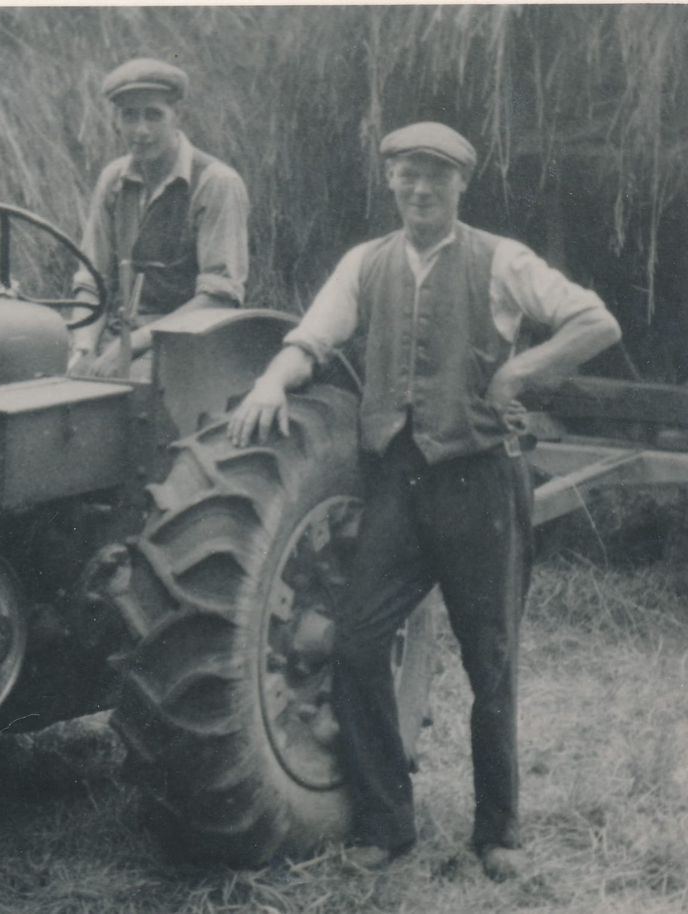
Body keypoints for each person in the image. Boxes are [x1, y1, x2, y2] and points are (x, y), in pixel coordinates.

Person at [227, 122, 621, 880]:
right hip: (399, 482)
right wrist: (273, 379)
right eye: (406, 176)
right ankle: (385, 822)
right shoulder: (364, 263)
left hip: (480, 482)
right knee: (356, 643)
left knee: (491, 660)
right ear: (392, 183)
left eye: (433, 178)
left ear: (458, 186)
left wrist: (517, 376)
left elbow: (595, 321)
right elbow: (309, 339)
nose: (418, 190)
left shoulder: (500, 260)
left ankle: (499, 832)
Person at [68, 58, 250, 378]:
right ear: (116, 121)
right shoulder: (113, 180)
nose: (141, 131)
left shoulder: (215, 183)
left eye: (153, 115)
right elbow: (91, 281)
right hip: (116, 337)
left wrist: (131, 345)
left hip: (188, 343)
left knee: (127, 395)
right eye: (129, 116)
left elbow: (219, 297)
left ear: (178, 117)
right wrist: (81, 349)